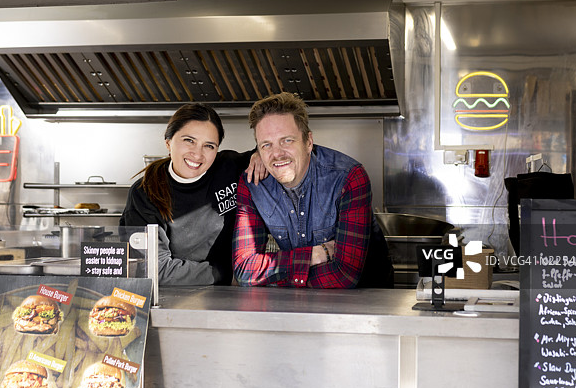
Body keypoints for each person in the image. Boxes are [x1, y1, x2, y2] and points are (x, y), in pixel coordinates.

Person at [232, 92, 393, 288]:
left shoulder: (347, 177)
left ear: (308, 142)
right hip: (294, 306)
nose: (277, 154)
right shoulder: (253, 184)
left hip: (367, 301)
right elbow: (244, 270)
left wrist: (274, 277)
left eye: (287, 140)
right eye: (266, 145)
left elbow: (345, 275)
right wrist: (317, 254)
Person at [120, 103, 265, 286]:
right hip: (175, 297)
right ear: (168, 142)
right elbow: (155, 270)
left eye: (209, 146)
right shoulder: (144, 193)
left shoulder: (229, 167)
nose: (197, 154)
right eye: (189, 140)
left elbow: (269, 152)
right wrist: (228, 272)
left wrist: (259, 154)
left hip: (232, 294)